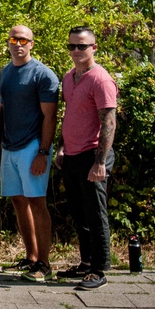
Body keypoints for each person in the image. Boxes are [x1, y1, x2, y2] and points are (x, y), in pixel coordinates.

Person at [54, 26, 117, 291]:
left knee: (95, 212)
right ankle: (86, 262)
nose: (76, 51)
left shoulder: (100, 79)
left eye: (82, 46)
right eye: (72, 46)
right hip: (72, 154)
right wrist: (61, 147)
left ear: (94, 48)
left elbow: (109, 122)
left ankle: (100, 269)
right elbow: (69, 115)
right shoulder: (70, 77)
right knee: (79, 212)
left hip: (93, 155)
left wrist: (100, 162)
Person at [0, 25, 59, 282]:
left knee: (36, 202)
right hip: (9, 147)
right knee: (18, 201)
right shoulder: (6, 72)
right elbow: (2, 112)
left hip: (33, 146)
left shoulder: (43, 75)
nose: (17, 44)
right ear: (8, 43)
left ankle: (44, 264)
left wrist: (43, 152)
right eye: (13, 39)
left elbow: (50, 116)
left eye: (23, 40)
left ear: (32, 43)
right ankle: (31, 257)